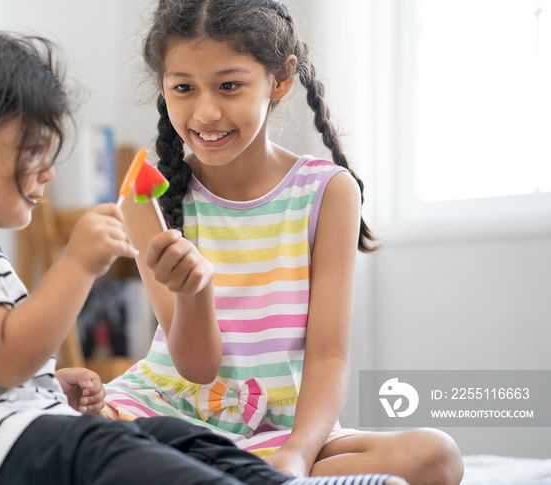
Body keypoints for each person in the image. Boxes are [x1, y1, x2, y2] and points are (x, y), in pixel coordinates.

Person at [0, 26, 404, 485]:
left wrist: (51, 382)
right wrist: (75, 266)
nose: (48, 173)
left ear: (279, 80)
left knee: (172, 439)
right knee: (116, 450)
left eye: (229, 84)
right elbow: (7, 359)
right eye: (32, 153)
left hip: (5, 435)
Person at [104, 1, 464, 484]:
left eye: (229, 85)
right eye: (183, 88)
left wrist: (297, 453)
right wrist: (194, 291)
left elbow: (328, 356)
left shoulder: (328, 192)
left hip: (281, 427)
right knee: (60, 429)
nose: (206, 111)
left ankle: (232, 473)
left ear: (280, 78)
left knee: (435, 456)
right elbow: (196, 367)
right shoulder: (148, 196)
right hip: (166, 414)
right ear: (162, 86)